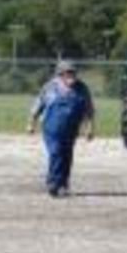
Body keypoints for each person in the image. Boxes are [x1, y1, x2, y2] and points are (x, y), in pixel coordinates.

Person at [27, 59, 94, 197]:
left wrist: (90, 128)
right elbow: (38, 105)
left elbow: (89, 110)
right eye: (68, 72)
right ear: (60, 74)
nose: (71, 75)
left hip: (71, 129)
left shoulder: (82, 88)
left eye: (73, 72)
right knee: (56, 153)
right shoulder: (50, 87)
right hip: (51, 128)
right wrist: (31, 123)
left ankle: (63, 183)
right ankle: (53, 184)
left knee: (66, 156)